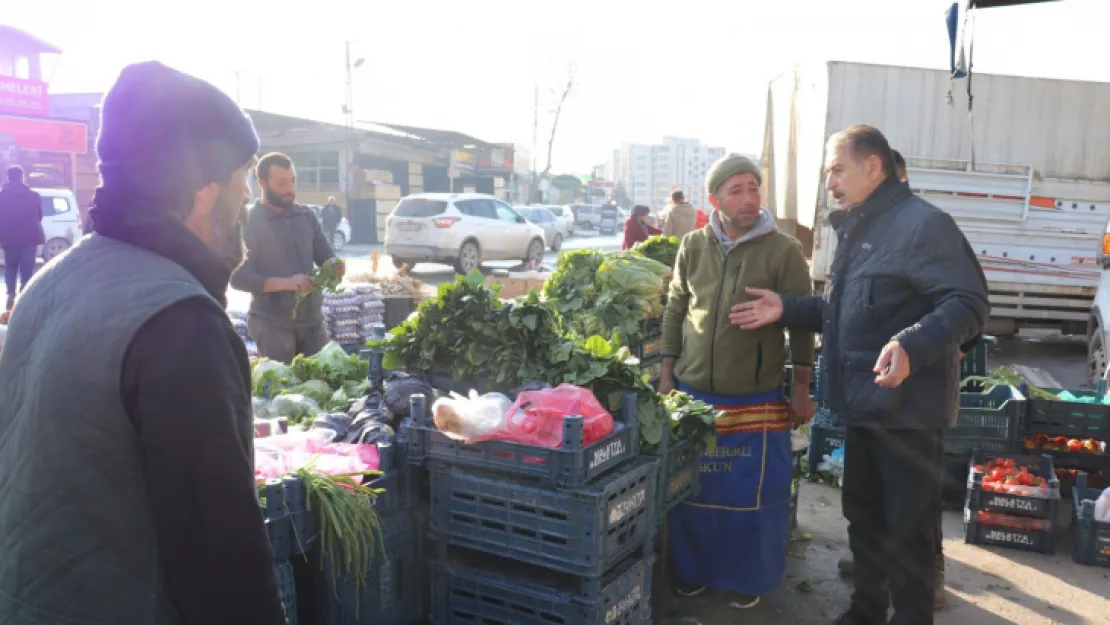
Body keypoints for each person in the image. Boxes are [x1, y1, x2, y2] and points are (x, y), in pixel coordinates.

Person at [0, 61, 287, 624]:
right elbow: (222, 562)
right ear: (205, 191)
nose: (246, 202)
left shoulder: (49, 282)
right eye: (243, 179)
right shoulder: (180, 324)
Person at [731, 125, 989, 625]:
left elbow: (969, 303)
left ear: (873, 167)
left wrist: (913, 344)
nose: (829, 182)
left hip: (910, 412)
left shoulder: (922, 225)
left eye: (836, 169)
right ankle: (866, 610)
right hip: (865, 404)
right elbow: (843, 311)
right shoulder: (861, 227)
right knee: (864, 518)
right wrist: (786, 307)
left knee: (909, 531)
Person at [660, 153, 816, 610]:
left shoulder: (783, 250)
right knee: (692, 491)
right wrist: (668, 375)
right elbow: (675, 308)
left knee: (752, 494)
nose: (750, 199)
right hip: (694, 396)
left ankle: (748, 578)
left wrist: (801, 388)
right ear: (714, 200)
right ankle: (691, 573)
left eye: (754, 187)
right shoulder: (691, 245)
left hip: (757, 397)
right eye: (737, 190)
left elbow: (803, 324)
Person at [231, 152, 344, 363]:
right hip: (273, 324)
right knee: (284, 391)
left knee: (323, 385)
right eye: (282, 183)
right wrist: (286, 283)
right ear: (262, 182)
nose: (290, 189)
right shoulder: (248, 221)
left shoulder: (306, 216)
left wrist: (334, 266)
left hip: (313, 323)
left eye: (293, 181)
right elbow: (238, 277)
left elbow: (326, 256)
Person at [0, 165, 44, 309]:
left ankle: (10, 294)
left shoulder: (1, 196)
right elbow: (40, 216)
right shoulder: (34, 195)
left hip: (9, 238)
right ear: (22, 177)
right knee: (27, 268)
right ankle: (24, 297)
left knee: (10, 267)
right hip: (30, 237)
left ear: (8, 178)